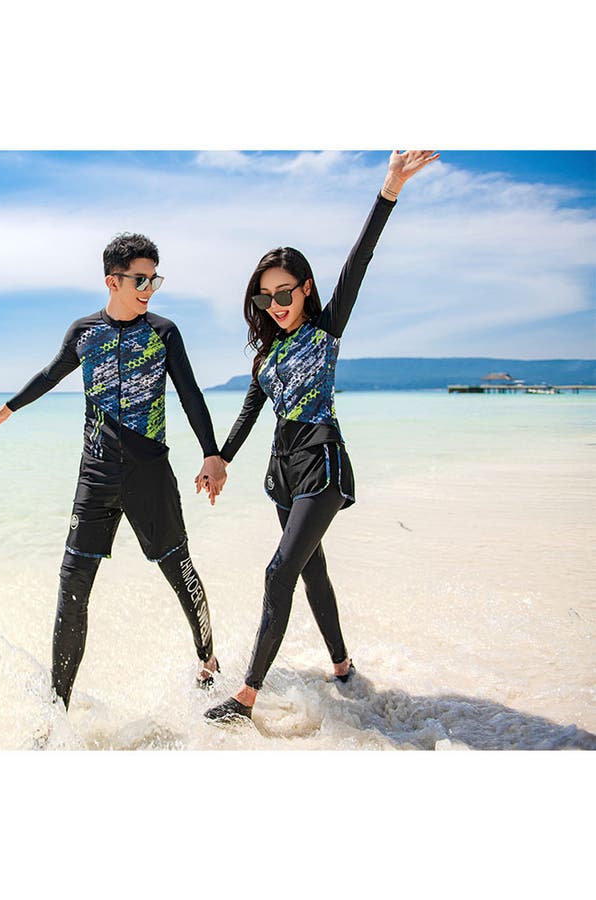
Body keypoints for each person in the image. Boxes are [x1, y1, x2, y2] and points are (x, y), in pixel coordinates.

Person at [200, 150, 440, 722]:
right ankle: (342, 666)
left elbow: (360, 260)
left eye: (284, 293)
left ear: (305, 289)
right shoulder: (265, 355)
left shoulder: (326, 330)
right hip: (282, 471)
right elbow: (250, 411)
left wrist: (389, 189)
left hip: (321, 464)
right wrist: (219, 457)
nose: (275, 306)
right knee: (312, 570)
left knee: (277, 572)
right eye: (265, 298)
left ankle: (246, 695)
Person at [0, 233, 227, 709]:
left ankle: (208, 661)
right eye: (140, 279)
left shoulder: (164, 333)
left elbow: (191, 394)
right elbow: (50, 375)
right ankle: (58, 711)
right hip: (96, 475)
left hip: (150, 474)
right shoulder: (84, 333)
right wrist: (8, 409)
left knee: (179, 570)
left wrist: (211, 454)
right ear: (113, 281)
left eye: (154, 279)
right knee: (72, 585)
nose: (149, 288)